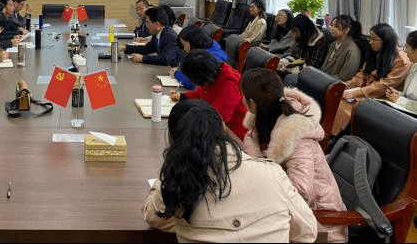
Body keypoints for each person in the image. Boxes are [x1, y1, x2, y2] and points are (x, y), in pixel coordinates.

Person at [143, 99, 317, 243]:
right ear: (223, 127)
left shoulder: (178, 183)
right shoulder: (272, 173)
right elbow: (307, 231)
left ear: (173, 140)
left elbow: (154, 216)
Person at [240, 68, 347, 242]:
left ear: (252, 103)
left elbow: (301, 191)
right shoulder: (266, 123)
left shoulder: (295, 136)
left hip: (319, 226)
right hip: (292, 214)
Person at [333, 23, 410, 135]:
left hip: (383, 98)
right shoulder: (375, 52)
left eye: (374, 39)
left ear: (386, 41)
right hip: (368, 92)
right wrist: (349, 84)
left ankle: (338, 136)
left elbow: (384, 85)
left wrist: (356, 92)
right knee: (337, 99)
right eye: (370, 38)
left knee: (346, 107)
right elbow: (363, 74)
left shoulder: (401, 61)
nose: (370, 42)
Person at [170, 48, 247, 139]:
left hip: (233, 133)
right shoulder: (212, 73)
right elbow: (201, 92)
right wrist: (182, 96)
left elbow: (218, 117)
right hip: (214, 127)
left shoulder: (229, 82)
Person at [170, 25, 227, 90]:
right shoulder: (211, 45)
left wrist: (176, 74)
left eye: (184, 44)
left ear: (193, 41)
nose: (184, 49)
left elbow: (195, 85)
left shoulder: (208, 58)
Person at [319, 15, 362, 82]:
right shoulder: (333, 44)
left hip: (334, 84)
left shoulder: (352, 50)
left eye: (336, 26)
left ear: (346, 30)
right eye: (331, 25)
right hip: (324, 80)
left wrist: (322, 79)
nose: (332, 28)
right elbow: (324, 68)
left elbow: (345, 77)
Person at [386, 30, 417, 109]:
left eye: (407, 47)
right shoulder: (414, 67)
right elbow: (407, 95)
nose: (404, 51)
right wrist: (396, 94)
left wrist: (399, 99)